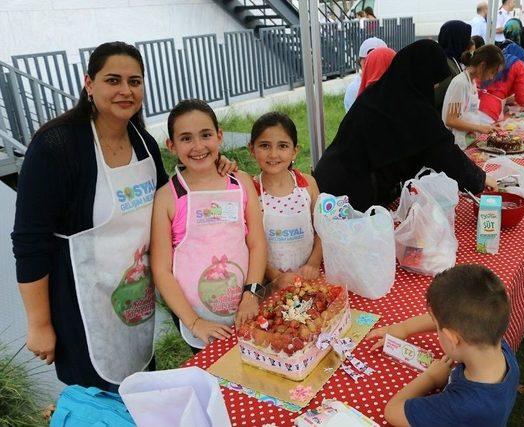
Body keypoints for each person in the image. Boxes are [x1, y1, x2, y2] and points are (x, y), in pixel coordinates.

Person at [12, 42, 168, 390]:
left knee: (140, 390)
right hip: (81, 309)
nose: (126, 90)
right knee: (99, 404)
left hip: (134, 301)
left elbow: (170, 207)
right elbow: (29, 242)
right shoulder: (57, 146)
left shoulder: (144, 143)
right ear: (89, 83)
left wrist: (212, 170)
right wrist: (39, 324)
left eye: (135, 81)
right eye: (113, 80)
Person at [313, 40, 498, 212]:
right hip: (348, 192)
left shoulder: (379, 96)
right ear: (421, 74)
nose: (433, 88)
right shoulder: (412, 108)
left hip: (330, 178)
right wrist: (481, 179)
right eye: (432, 81)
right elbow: (443, 152)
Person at [150, 99, 267, 350]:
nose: (198, 146)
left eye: (206, 135)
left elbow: (256, 243)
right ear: (171, 145)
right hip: (201, 326)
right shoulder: (167, 198)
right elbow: (161, 270)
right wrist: (194, 322)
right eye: (186, 138)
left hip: (247, 309)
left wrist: (251, 293)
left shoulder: (241, 183)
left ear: (219, 136)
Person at [368, 264, 520, 426]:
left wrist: (431, 378)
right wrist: (403, 328)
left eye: (437, 325)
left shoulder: (460, 406)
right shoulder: (495, 342)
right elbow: (449, 318)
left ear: (452, 338)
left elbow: (392, 412)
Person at [247, 112, 323, 290]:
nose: (273, 154)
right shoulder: (251, 190)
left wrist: (312, 264)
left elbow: (322, 230)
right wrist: (275, 276)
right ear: (252, 149)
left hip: (309, 279)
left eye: (282, 146)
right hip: (270, 283)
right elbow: (250, 243)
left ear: (295, 150)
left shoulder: (308, 185)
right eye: (265, 146)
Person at [442, 45, 504, 150]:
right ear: (482, 66)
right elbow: (450, 120)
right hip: (454, 144)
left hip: (467, 140)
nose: (491, 77)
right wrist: (479, 127)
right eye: (492, 72)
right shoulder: (460, 83)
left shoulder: (472, 82)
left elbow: (469, 114)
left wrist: (486, 125)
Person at [479, 43, 524, 122]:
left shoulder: (495, 60)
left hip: (474, 104)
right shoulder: (520, 66)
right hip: (491, 110)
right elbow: (523, 100)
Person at [435, 20, 473, 114]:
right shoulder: (443, 63)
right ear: (457, 39)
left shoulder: (453, 59)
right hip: (443, 119)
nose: (467, 43)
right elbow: (437, 98)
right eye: (465, 39)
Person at [344, 37, 388, 112]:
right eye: (368, 61)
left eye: (378, 61)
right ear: (360, 62)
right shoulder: (354, 89)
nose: (374, 66)